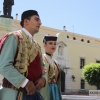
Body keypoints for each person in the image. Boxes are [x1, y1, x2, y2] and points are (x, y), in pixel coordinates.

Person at [0, 10, 47, 100]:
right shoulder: (13, 37)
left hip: (33, 93)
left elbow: (43, 66)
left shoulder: (37, 45)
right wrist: (25, 82)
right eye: (37, 19)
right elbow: (4, 66)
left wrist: (43, 79)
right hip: (15, 93)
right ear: (26, 21)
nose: (40, 23)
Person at [40, 35, 62, 100]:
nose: (53, 45)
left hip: (55, 89)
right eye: (50, 43)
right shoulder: (41, 59)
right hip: (45, 89)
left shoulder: (55, 62)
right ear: (44, 45)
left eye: (55, 44)